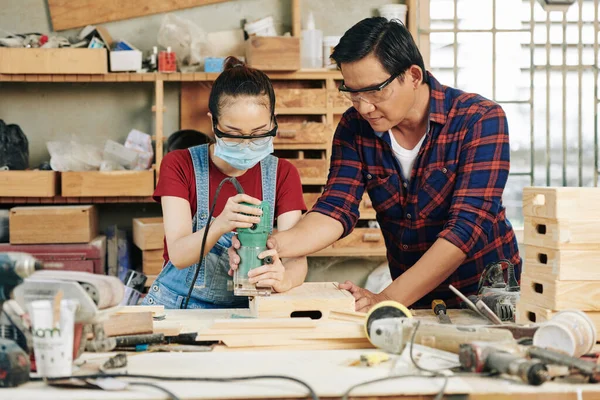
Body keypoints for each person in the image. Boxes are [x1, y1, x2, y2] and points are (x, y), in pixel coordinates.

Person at [230, 17, 521, 312]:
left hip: (485, 293)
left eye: (375, 91)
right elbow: (335, 208)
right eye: (353, 93)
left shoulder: (480, 120)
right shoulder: (355, 127)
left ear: (414, 76)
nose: (365, 106)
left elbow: (465, 229)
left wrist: (386, 298)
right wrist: (273, 245)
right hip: (411, 296)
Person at [143, 56, 308, 309]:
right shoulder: (179, 164)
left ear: (273, 121)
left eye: (258, 133)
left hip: (251, 306)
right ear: (213, 122)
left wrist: (283, 278)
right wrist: (220, 224)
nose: (245, 145)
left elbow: (297, 260)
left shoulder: (283, 174)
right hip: (179, 306)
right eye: (232, 135)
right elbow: (178, 255)